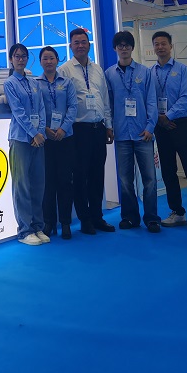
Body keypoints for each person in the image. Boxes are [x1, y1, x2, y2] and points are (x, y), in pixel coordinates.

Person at [58, 28, 115, 235]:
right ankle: (84, 219)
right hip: (78, 130)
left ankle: (97, 216)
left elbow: (105, 100)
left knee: (97, 174)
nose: (80, 45)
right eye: (76, 42)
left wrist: (109, 125)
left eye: (84, 42)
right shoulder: (64, 70)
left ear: (89, 45)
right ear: (70, 46)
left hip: (98, 128)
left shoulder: (98, 70)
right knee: (80, 176)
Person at [152, 31, 187, 233]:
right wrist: (159, 118)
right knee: (168, 171)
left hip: (181, 124)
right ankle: (177, 212)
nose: (160, 47)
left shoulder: (182, 70)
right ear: (154, 47)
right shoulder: (151, 72)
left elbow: (186, 97)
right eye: (157, 44)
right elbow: (149, 99)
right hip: (161, 127)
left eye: (163, 43)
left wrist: (168, 116)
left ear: (171, 46)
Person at [105, 30, 160, 233]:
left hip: (142, 133)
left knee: (149, 179)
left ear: (132, 48)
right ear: (115, 48)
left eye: (127, 45)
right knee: (126, 180)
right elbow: (108, 104)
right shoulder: (109, 74)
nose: (124, 48)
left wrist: (150, 127)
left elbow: (151, 101)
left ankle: (152, 218)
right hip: (121, 135)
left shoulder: (145, 72)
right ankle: (129, 217)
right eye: (120, 45)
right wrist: (109, 126)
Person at [4, 43, 48, 246]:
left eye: (23, 56)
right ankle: (24, 230)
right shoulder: (10, 83)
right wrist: (33, 133)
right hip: (21, 138)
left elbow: (42, 109)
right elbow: (18, 111)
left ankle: (38, 226)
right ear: (11, 59)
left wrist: (41, 133)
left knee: (38, 184)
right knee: (21, 185)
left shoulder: (34, 83)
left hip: (38, 139)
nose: (20, 59)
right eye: (17, 56)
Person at [37, 46, 78, 239]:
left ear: (57, 60)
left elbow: (73, 107)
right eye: (45, 58)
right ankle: (49, 222)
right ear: (40, 62)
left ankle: (66, 222)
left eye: (52, 58)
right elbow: (35, 108)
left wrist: (63, 128)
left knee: (65, 181)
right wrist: (45, 128)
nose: (49, 61)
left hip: (65, 138)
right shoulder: (36, 84)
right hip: (46, 139)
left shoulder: (67, 82)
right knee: (48, 182)